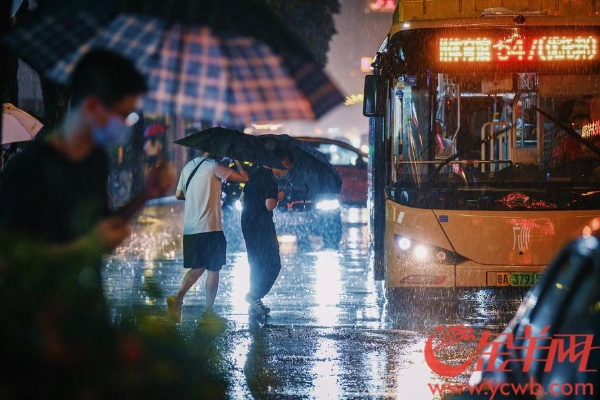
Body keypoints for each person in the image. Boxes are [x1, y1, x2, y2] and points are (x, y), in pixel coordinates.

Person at [0, 50, 175, 396]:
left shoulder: (95, 161)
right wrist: (85, 247)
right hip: (35, 343)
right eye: (124, 115)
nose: (127, 125)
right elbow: (10, 262)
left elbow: (100, 226)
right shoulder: (27, 170)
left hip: (86, 323)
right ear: (94, 106)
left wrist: (145, 196)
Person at [167, 152, 248, 324]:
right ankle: (208, 312)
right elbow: (244, 177)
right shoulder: (215, 167)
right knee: (213, 269)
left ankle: (178, 298)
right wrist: (237, 159)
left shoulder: (188, 167)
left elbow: (179, 194)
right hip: (211, 227)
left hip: (191, 228)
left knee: (198, 267)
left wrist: (200, 193)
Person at [241, 152, 293, 317]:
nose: (285, 173)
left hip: (248, 222)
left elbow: (243, 199)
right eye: (285, 169)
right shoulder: (270, 178)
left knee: (256, 262)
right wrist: (279, 197)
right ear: (277, 164)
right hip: (262, 225)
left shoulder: (254, 174)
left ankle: (255, 302)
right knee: (273, 264)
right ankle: (254, 295)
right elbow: (269, 205)